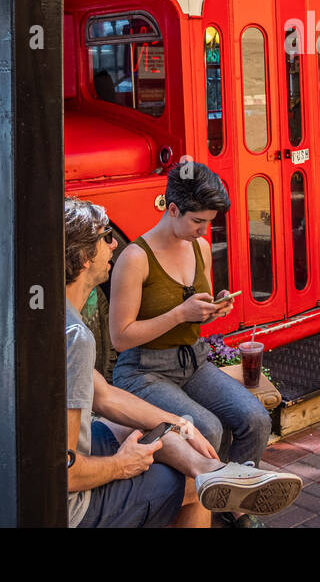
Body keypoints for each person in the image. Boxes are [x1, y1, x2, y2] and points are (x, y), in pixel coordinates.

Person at [0, 196, 302, 527]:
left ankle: (211, 469)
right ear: (84, 258)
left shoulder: (35, 312)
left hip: (2, 496)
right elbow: (64, 472)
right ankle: (206, 477)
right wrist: (121, 464)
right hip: (56, 511)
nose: (114, 243)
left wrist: (179, 423)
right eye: (106, 236)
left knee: (150, 428)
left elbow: (104, 396)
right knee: (191, 485)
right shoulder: (73, 337)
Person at [108, 162, 279, 526]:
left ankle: (233, 507)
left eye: (209, 222)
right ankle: (203, 509)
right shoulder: (135, 258)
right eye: (198, 221)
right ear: (172, 209)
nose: (206, 229)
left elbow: (192, 313)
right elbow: (119, 337)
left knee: (255, 418)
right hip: (143, 370)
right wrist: (180, 315)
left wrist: (212, 309)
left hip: (193, 362)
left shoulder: (199, 247)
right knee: (209, 428)